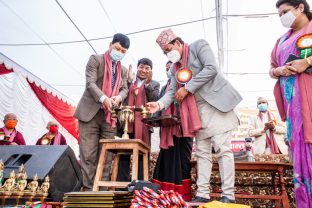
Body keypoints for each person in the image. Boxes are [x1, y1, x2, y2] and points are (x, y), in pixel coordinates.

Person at [147, 29, 242, 203]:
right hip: (197, 113)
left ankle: (228, 195)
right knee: (202, 153)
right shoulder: (175, 67)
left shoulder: (199, 46)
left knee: (223, 149)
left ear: (177, 42)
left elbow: (211, 68)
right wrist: (159, 104)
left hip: (217, 105)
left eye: (168, 49)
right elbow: (171, 91)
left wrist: (188, 87)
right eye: (164, 53)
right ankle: (203, 194)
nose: (168, 54)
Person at [74, 33, 130, 191]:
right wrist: (104, 98)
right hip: (89, 114)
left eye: (123, 51)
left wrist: (118, 97)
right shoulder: (95, 60)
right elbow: (90, 83)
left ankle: (102, 191)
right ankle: (89, 190)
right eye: (117, 48)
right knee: (88, 155)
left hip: (109, 116)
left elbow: (125, 89)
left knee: (106, 156)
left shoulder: (123, 71)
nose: (119, 52)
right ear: (110, 44)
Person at [270, 0, 312, 206]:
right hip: (293, 109)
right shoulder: (281, 41)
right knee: (299, 159)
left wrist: (308, 62)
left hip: (310, 99)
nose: (282, 17)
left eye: (285, 12)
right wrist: (278, 71)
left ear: (301, 7)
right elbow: (272, 69)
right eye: (279, 14)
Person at [151, 60, 193, 201]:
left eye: (171, 68)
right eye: (166, 68)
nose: (169, 70)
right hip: (166, 130)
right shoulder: (164, 88)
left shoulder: (187, 84)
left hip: (184, 129)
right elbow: (159, 105)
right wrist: (153, 120)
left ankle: (182, 196)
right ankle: (165, 196)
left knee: (183, 162)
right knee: (166, 162)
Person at [117, 58, 160, 181]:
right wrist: (129, 82)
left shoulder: (155, 84)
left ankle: (141, 185)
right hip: (126, 123)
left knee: (142, 154)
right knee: (123, 155)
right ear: (137, 68)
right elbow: (122, 96)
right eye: (141, 67)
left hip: (144, 125)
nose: (143, 70)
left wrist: (147, 84)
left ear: (151, 70)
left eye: (147, 68)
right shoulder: (128, 82)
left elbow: (155, 98)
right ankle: (122, 185)